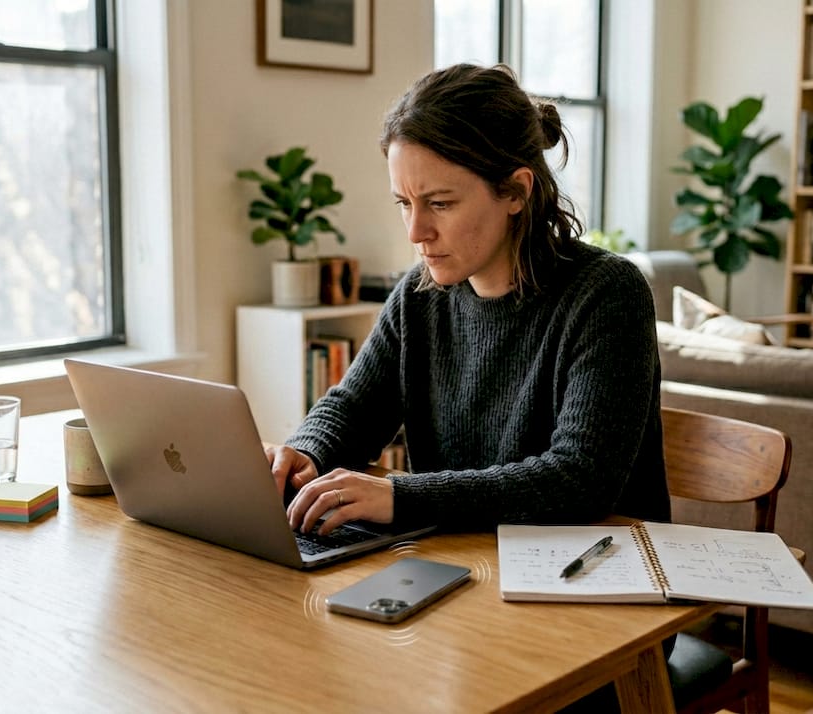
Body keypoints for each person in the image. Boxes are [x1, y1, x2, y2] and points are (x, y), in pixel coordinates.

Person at [266, 62, 669, 539]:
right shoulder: (419, 297)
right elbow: (353, 409)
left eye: (439, 203)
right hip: (465, 562)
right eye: (404, 203)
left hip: (596, 575)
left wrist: (400, 497)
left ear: (516, 191)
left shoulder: (606, 293)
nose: (417, 232)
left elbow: (581, 479)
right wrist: (303, 455)